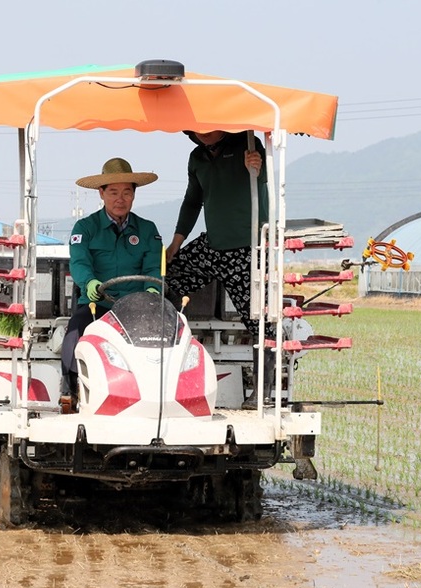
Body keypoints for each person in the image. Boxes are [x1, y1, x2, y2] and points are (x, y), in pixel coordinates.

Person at [164, 130, 269, 406]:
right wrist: (176, 244)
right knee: (165, 281)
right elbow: (192, 201)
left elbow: (263, 179)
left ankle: (262, 393)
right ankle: (167, 353)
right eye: (200, 126)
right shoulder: (197, 157)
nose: (207, 131)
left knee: (260, 321)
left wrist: (256, 168)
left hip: (249, 249)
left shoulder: (248, 143)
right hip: (213, 246)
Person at [61, 157, 163, 403]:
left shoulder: (148, 229)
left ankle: (160, 394)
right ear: (101, 193)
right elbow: (79, 262)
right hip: (98, 305)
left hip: (139, 309)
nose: (120, 199)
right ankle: (69, 391)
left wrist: (151, 289)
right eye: (114, 192)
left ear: (134, 195)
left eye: (127, 192)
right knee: (75, 331)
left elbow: (154, 267)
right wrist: (90, 283)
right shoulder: (84, 228)